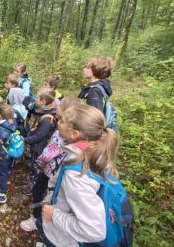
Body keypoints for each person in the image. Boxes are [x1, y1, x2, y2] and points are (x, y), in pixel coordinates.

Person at [38, 103, 118, 247]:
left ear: (74, 134)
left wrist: (54, 215)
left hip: (64, 239)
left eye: (61, 120)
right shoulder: (94, 152)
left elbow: (94, 230)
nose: (58, 122)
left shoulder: (76, 176)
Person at [20, 98, 83, 232]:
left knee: (38, 190)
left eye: (60, 106)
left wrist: (39, 163)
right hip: (60, 171)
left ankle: (36, 218)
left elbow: (48, 155)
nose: (56, 106)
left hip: (51, 170)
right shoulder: (79, 134)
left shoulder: (60, 133)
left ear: (66, 113)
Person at [22, 88, 56, 195]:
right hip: (37, 146)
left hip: (40, 147)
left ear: (44, 102)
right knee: (33, 163)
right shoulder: (43, 112)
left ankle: (33, 186)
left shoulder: (46, 119)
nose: (35, 99)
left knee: (36, 166)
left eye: (37, 98)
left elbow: (40, 135)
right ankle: (32, 177)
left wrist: (27, 140)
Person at [0, 104, 17, 203]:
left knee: (2, 173)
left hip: (3, 155)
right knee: (6, 170)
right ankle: (2, 183)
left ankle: (2, 194)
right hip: (10, 151)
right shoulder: (13, 123)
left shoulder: (1, 130)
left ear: (0, 115)